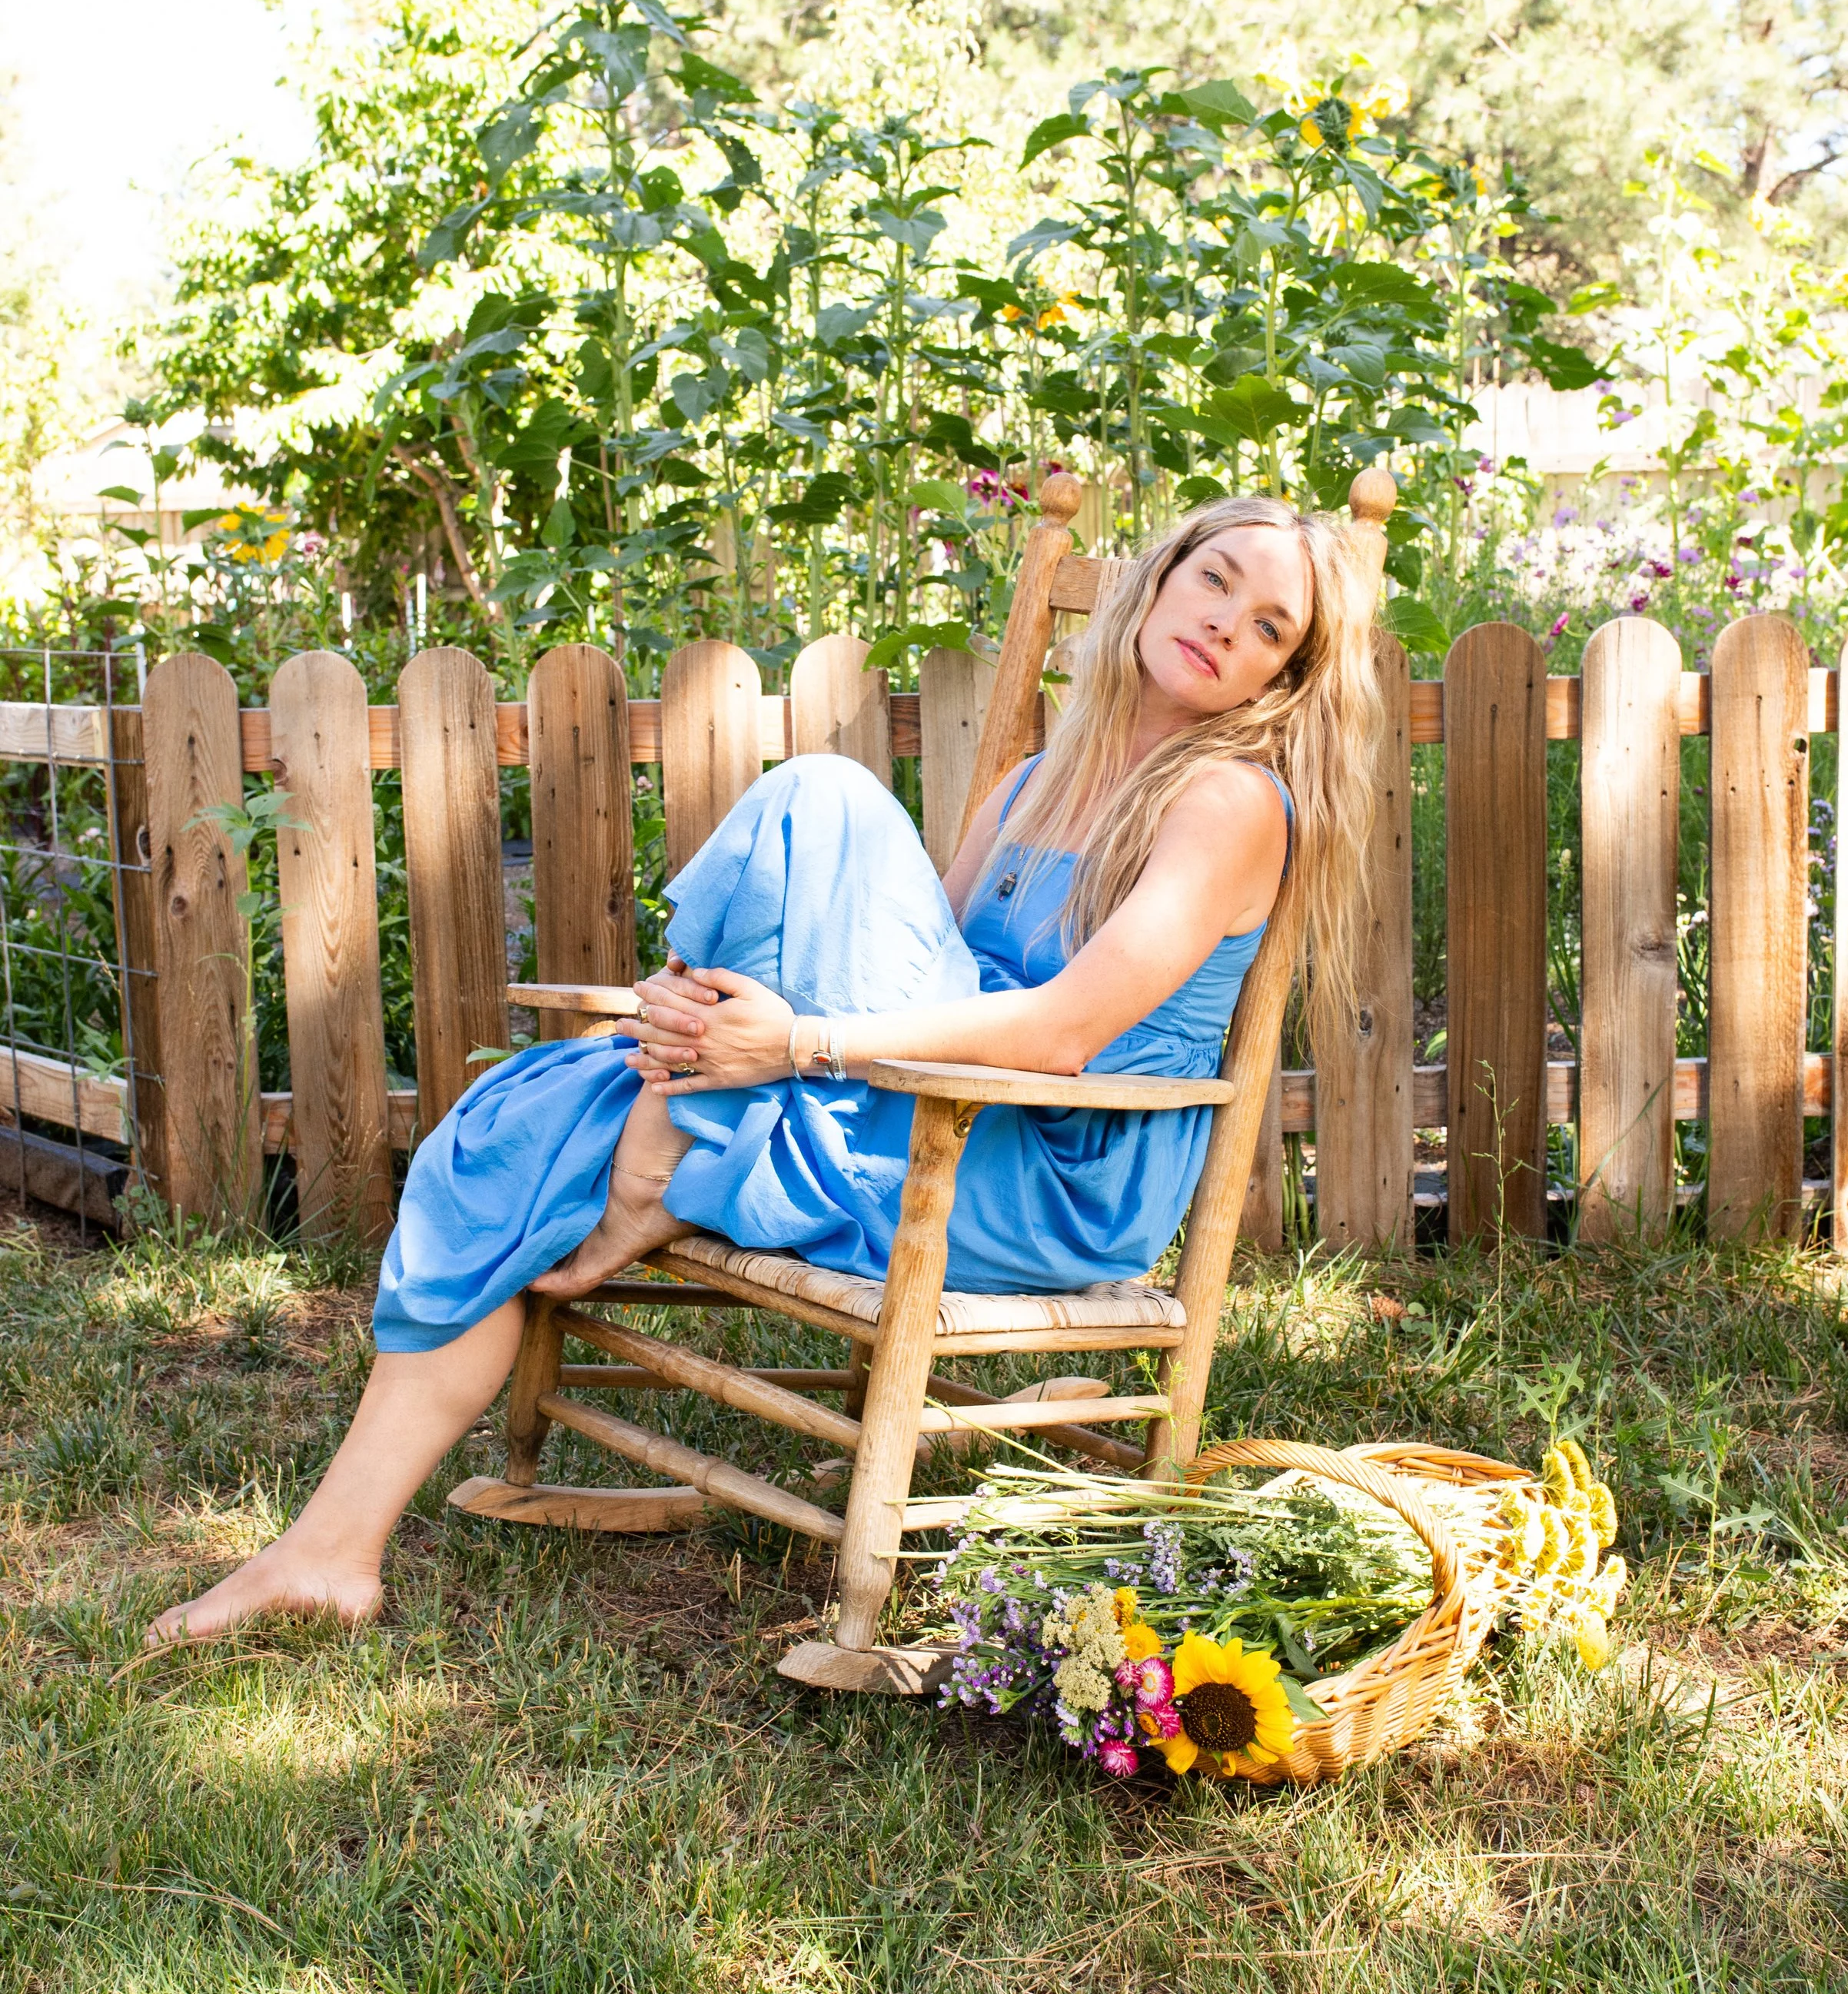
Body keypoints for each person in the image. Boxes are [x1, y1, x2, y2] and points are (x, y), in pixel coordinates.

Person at [149, 494, 1381, 1644]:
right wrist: (723, 1015)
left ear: (1286, 674)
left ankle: (659, 1143)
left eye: (1270, 623)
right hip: (931, 1101)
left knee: (829, 794)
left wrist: (790, 1044)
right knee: (533, 1115)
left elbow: (1058, 1033)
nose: (1228, 620)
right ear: (1160, 579)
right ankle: (330, 1548)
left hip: (1049, 1162)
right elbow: (914, 973)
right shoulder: (1028, 784)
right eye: (1214, 578)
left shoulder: (1230, 803)